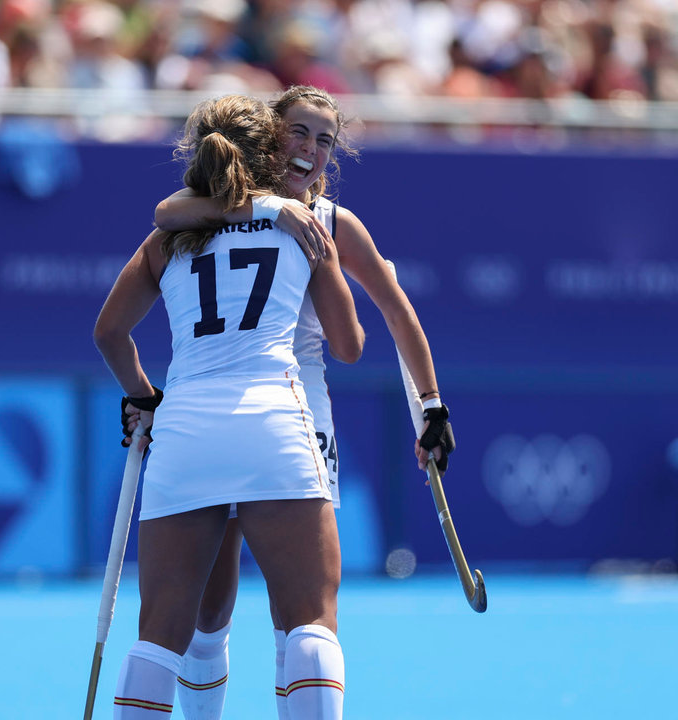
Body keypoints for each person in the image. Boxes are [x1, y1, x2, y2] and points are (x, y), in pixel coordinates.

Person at [153, 85, 456, 720]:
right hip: (223, 405)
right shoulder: (216, 204)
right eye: (299, 133)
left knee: (300, 607)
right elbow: (167, 210)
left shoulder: (339, 224)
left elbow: (398, 318)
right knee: (211, 603)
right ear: (269, 137)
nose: (311, 150)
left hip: (297, 415)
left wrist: (431, 406)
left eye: (324, 140)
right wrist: (268, 207)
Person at [93, 93, 365, 719]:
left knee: (161, 633)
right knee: (309, 622)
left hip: (185, 432)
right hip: (275, 424)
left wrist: (142, 395)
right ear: (270, 151)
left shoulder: (169, 235)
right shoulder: (304, 225)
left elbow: (108, 333)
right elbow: (347, 346)